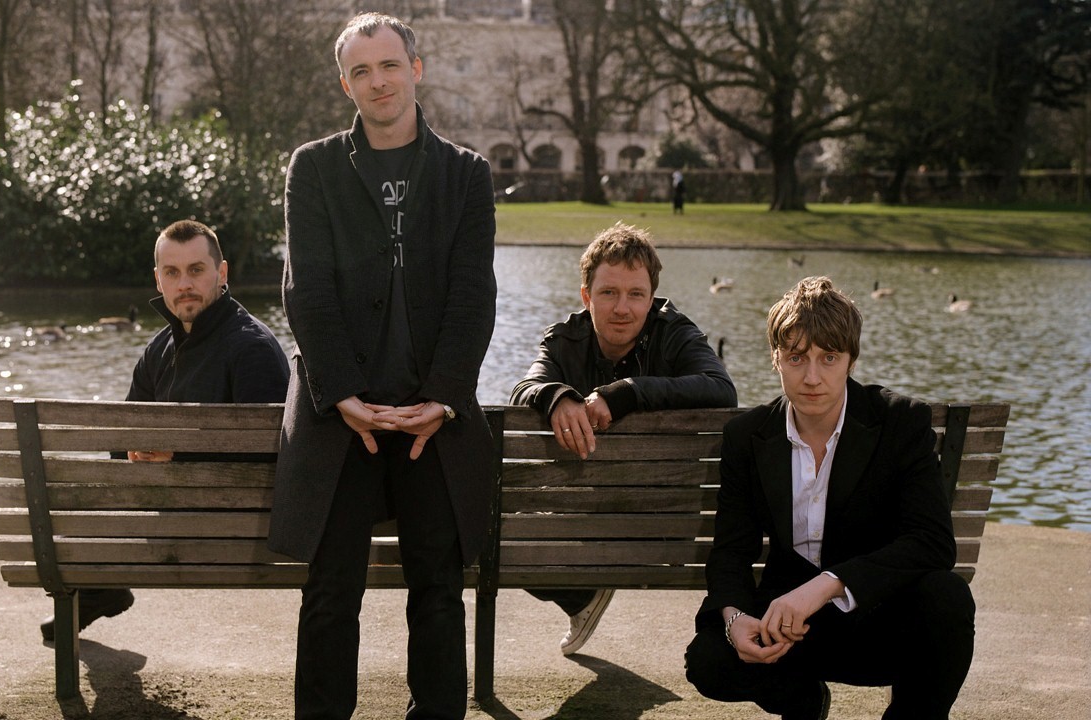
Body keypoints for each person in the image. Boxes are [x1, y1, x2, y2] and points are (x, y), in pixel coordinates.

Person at [267, 12, 497, 720]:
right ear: (346, 84)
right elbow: (306, 291)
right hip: (342, 413)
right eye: (361, 71)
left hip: (432, 414)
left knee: (438, 590)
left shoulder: (465, 173)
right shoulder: (314, 167)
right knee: (331, 591)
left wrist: (445, 397)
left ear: (415, 70)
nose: (378, 81)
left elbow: (472, 295)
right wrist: (341, 393)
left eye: (390, 65)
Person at [684, 276, 975, 719]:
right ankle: (804, 702)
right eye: (796, 358)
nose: (812, 377)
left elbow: (932, 543)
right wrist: (734, 619)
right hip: (789, 629)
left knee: (948, 600)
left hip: (877, 618)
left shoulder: (900, 422)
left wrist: (825, 586)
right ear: (776, 359)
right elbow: (730, 552)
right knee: (708, 660)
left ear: (851, 360)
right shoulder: (747, 436)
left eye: (829, 357)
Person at [38, 219, 291, 642]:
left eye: (196, 270)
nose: (184, 284)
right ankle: (100, 588)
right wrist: (137, 452)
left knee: (66, 499)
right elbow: (121, 442)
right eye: (172, 273)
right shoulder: (158, 349)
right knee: (84, 486)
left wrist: (178, 458)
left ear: (221, 273)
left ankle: (96, 587)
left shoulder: (252, 349)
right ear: (158, 280)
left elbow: (271, 462)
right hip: (175, 514)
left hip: (236, 529)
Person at [511, 222, 737, 656]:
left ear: (652, 299)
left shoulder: (675, 333)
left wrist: (629, 392)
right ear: (586, 296)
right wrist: (556, 397)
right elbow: (526, 388)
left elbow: (721, 389)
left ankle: (581, 598)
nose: (622, 307)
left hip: (660, 526)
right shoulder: (564, 339)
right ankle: (582, 598)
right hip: (594, 516)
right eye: (608, 293)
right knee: (505, 530)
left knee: (505, 534)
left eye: (636, 294)